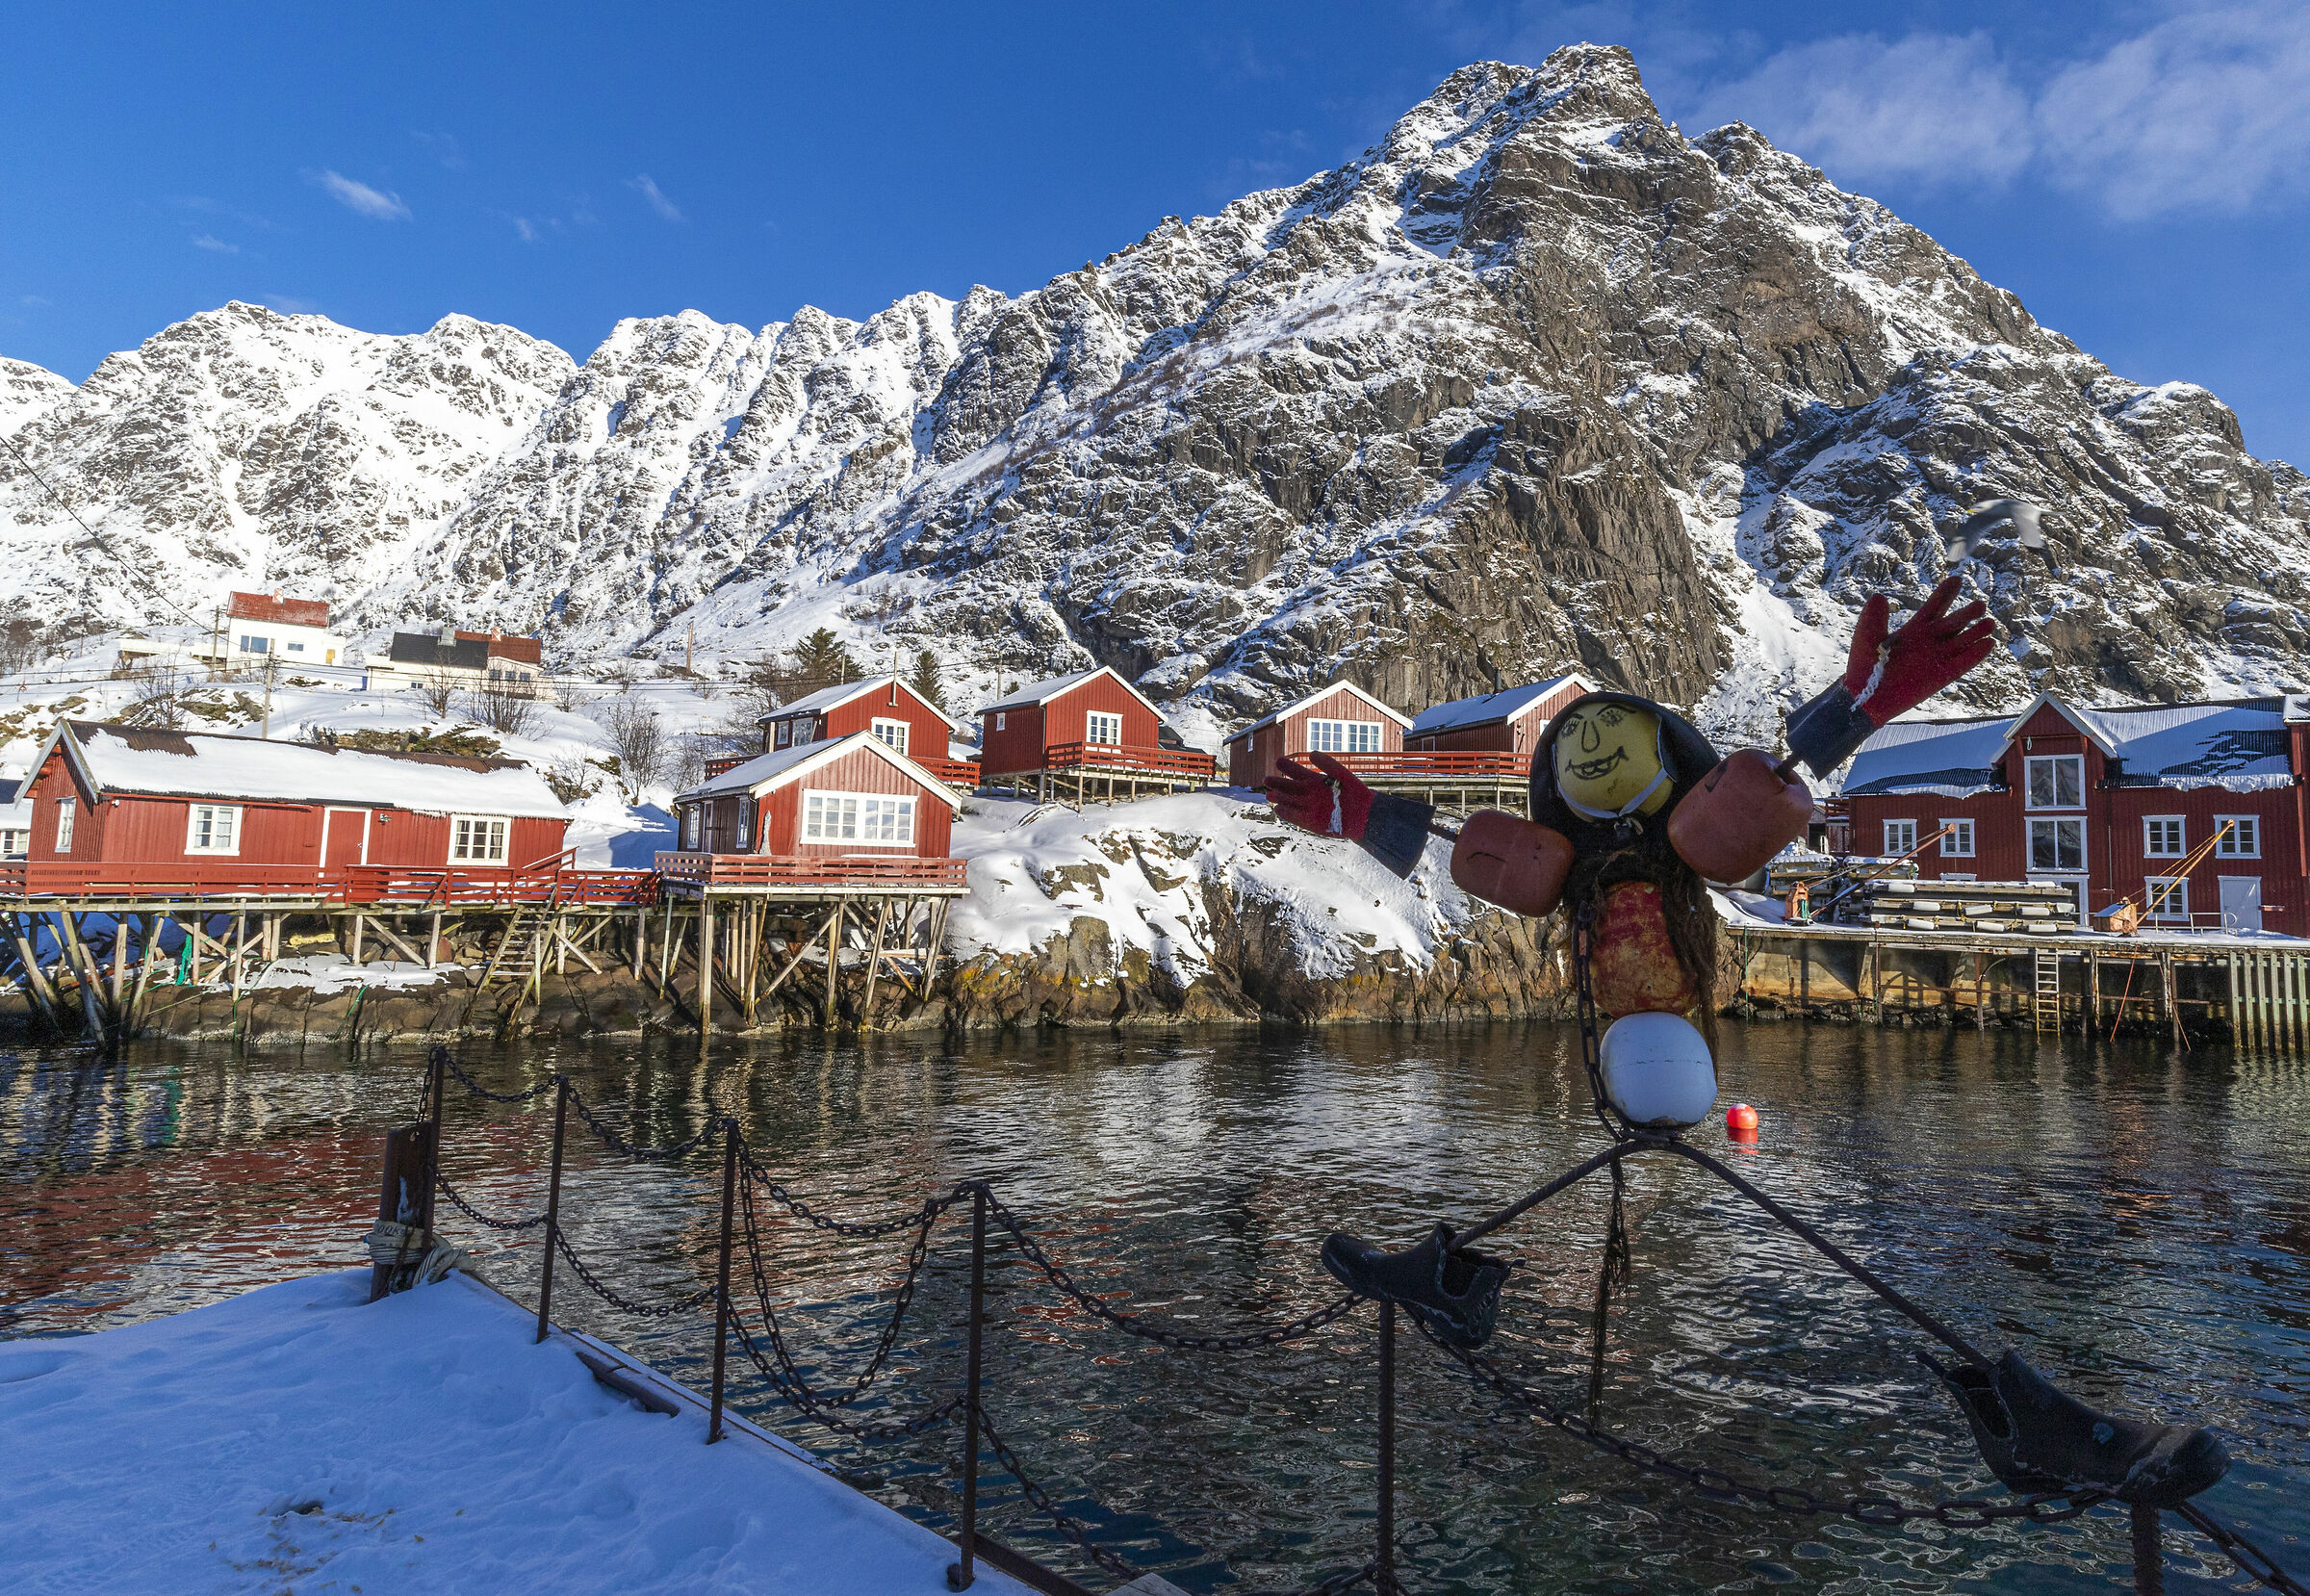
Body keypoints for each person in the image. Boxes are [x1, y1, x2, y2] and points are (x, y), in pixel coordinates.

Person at [1259, 578, 2233, 1507]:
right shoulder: (1562, 860)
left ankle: (2012, 1399)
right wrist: (1360, 814)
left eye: (1613, 736)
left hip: (1656, 1042)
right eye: (1577, 742)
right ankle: (1452, 1273)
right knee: (1664, 1126)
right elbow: (1453, 839)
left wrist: (1862, 698)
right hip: (1634, 1046)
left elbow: (1784, 774)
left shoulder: (1698, 829)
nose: (1592, 749)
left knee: (1717, 1148)